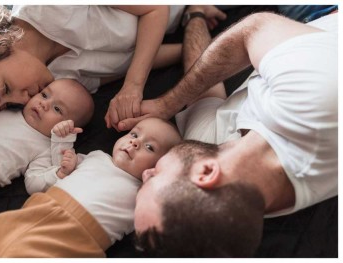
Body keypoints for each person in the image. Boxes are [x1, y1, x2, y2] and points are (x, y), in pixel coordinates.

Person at [129, 9, 338, 257]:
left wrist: (194, 15)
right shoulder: (318, 104)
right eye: (152, 179)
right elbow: (254, 28)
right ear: (206, 173)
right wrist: (166, 105)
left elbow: (203, 87)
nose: (145, 171)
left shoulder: (232, 190)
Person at [0, 117, 182, 258]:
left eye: (149, 147)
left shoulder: (145, 191)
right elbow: (59, 161)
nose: (134, 143)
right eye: (134, 134)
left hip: (74, 237)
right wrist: (63, 143)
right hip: (31, 213)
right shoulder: (95, 156)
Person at [0, 5, 184, 130]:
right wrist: (195, 32)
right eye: (8, 105)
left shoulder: (49, 7)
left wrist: (133, 85)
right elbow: (136, 60)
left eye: (6, 89)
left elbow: (155, 9)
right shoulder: (56, 85)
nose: (23, 101)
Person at [0, 78, 94, 228]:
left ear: (69, 127)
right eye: (44, 95)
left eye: (57, 109)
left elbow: (34, 183)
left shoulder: (45, 148)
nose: (44, 104)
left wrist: (58, 173)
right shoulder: (11, 106)